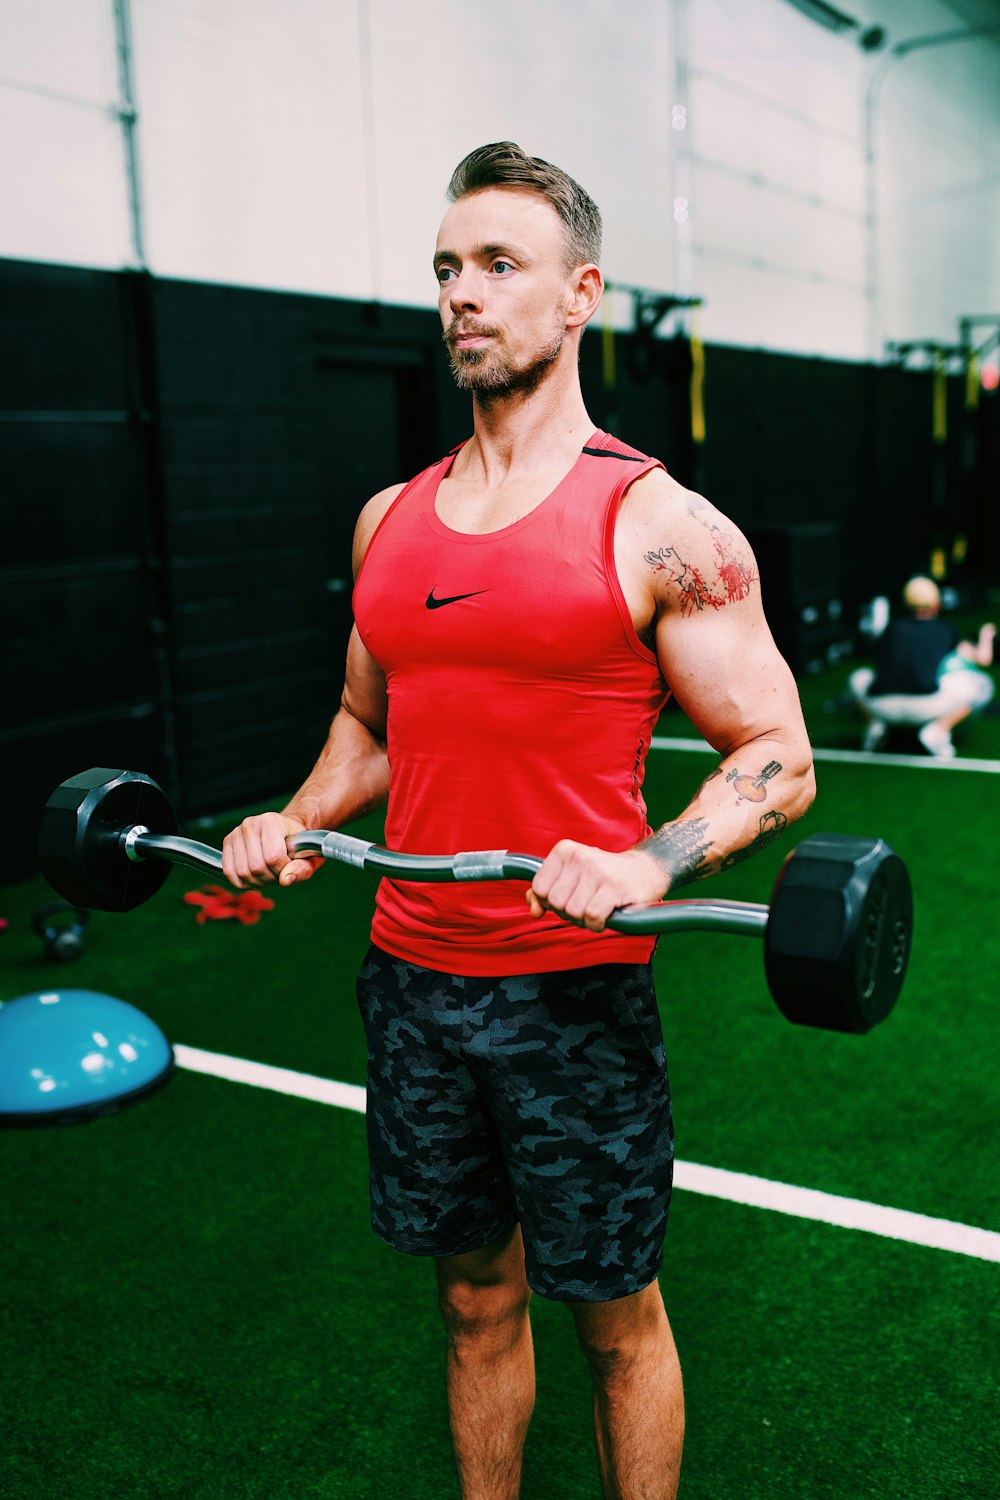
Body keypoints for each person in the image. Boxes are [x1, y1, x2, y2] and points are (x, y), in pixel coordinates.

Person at [222, 142, 816, 1500]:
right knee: (473, 1303)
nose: (462, 296)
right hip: (412, 977)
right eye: (446, 269)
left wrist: (648, 857)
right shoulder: (391, 520)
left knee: (614, 1321)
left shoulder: (657, 522)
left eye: (499, 266)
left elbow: (778, 756)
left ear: (579, 296)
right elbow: (369, 726)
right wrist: (297, 816)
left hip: (573, 993)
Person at [849, 576, 995, 757]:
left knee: (859, 677)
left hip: (881, 705)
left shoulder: (891, 628)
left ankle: (876, 725)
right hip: (927, 706)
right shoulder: (946, 629)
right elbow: (982, 659)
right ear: (936, 604)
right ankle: (938, 730)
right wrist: (986, 635)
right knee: (981, 683)